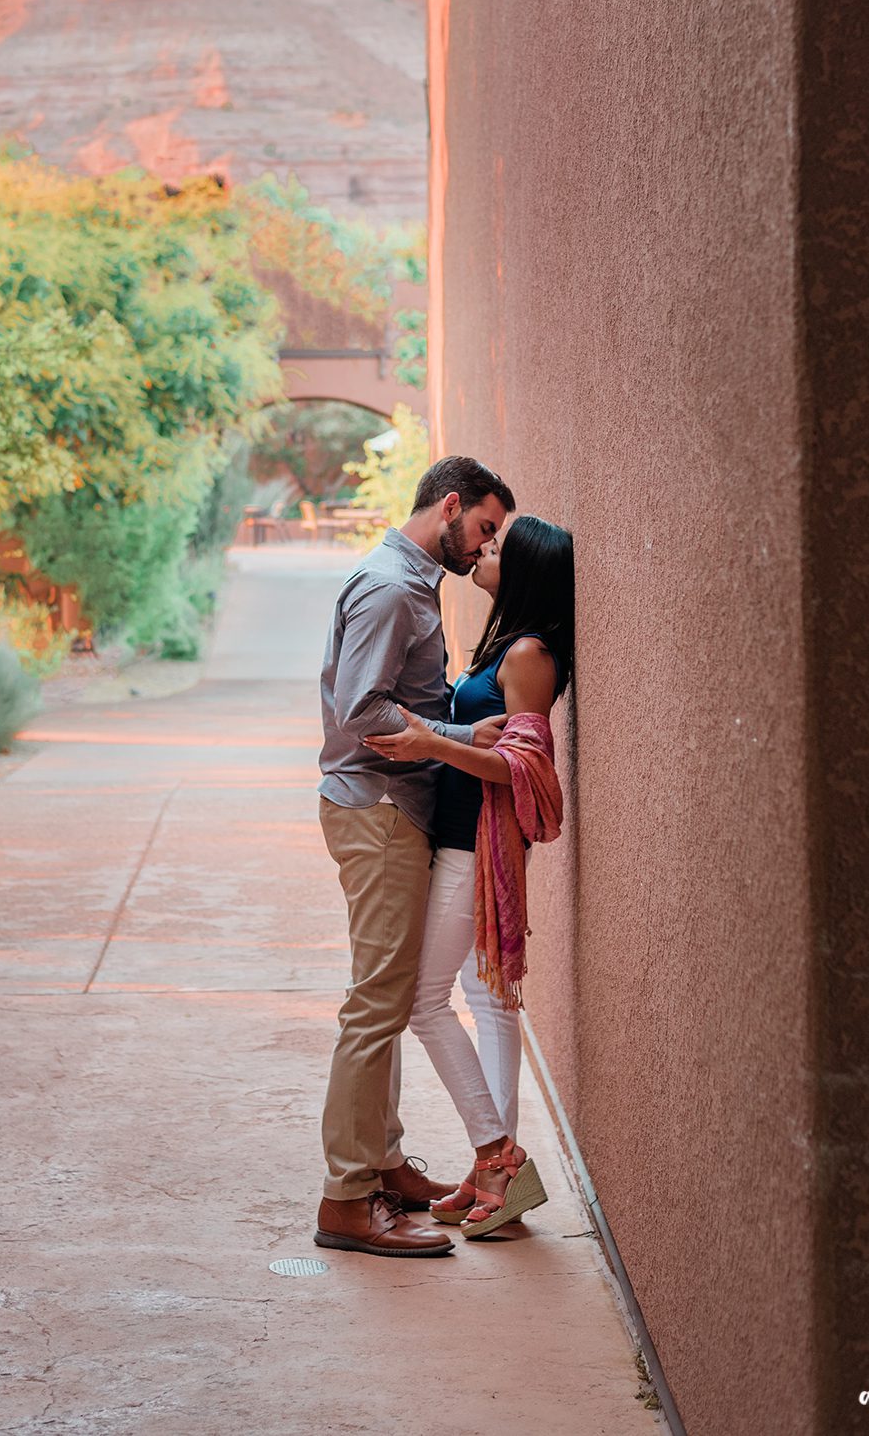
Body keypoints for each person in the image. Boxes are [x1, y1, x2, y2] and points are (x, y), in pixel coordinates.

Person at [314, 454, 515, 1259]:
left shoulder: (408, 580)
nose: (485, 547)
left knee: (390, 998)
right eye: (486, 529)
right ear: (451, 506)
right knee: (376, 1005)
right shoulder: (395, 588)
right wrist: (463, 736)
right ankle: (346, 1201)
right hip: (381, 811)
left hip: (390, 811)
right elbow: (361, 709)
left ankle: (386, 1164)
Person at [365, 513, 574, 1238]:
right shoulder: (504, 645)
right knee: (489, 1004)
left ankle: (498, 1156)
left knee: (425, 1002)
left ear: (522, 573)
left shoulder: (529, 655)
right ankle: (495, 1176)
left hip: (473, 845)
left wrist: (431, 742)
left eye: (496, 548)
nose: (483, 551)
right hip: (464, 838)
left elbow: (523, 767)